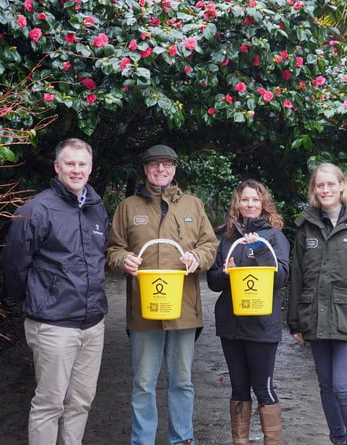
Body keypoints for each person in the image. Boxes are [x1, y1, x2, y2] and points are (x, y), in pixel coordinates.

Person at [105, 144, 218, 445]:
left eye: (167, 164)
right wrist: (123, 260)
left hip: (184, 309)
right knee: (143, 383)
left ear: (175, 169)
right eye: (155, 165)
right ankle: (142, 441)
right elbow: (114, 248)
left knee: (181, 381)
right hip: (143, 310)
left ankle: (182, 439)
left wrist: (198, 257)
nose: (161, 170)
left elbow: (210, 245)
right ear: (145, 169)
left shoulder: (194, 205)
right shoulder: (128, 207)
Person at [1, 138, 108, 445]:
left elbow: (98, 258)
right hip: (53, 324)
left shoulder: (96, 208)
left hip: (92, 324)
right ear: (57, 167)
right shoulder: (35, 210)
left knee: (81, 401)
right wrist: (38, 301)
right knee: (49, 404)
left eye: (82, 164)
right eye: (70, 164)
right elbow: (14, 265)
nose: (77, 170)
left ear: (90, 167)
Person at [287, 163, 347, 445]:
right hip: (314, 317)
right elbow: (298, 276)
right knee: (326, 387)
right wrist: (295, 320)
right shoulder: (305, 226)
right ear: (314, 190)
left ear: (342, 185)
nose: (325, 190)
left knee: (342, 386)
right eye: (320, 185)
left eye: (331, 184)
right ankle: (337, 440)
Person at [207, 180, 290, 445]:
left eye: (255, 199)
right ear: (238, 205)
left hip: (262, 326)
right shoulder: (228, 238)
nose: (250, 204)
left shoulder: (275, 236)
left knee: (263, 389)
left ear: (263, 203)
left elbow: (281, 278)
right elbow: (213, 282)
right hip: (231, 326)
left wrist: (259, 251)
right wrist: (224, 272)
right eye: (245, 200)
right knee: (239, 390)